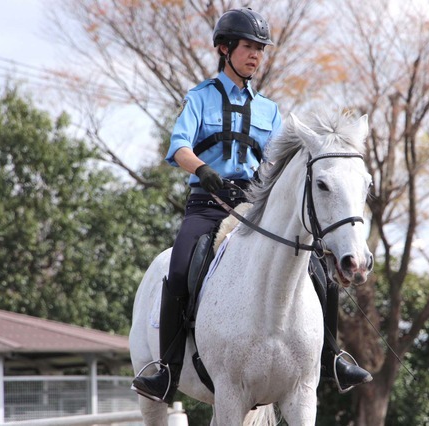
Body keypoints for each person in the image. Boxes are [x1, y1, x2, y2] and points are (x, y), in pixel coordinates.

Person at [131, 7, 371, 405]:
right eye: (248, 47)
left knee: (317, 268)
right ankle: (167, 369)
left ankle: (331, 357)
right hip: (207, 202)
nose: (255, 55)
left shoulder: (270, 110)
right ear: (225, 49)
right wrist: (205, 172)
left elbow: (279, 166)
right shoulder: (200, 98)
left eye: (260, 49)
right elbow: (178, 147)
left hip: (253, 206)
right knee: (180, 264)